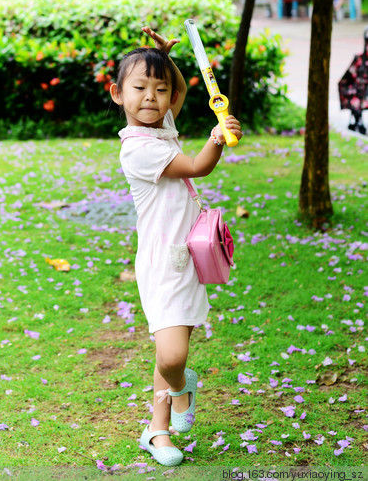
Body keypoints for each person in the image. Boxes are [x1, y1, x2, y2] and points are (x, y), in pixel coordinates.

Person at [110, 27, 242, 467]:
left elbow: (183, 87)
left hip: (185, 256)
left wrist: (165, 59)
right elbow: (200, 165)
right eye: (140, 88)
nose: (152, 96)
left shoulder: (161, 125)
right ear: (117, 94)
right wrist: (218, 136)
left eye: (159, 88)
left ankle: (158, 431)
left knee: (169, 346)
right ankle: (183, 386)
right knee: (172, 355)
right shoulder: (138, 149)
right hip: (161, 262)